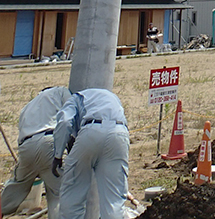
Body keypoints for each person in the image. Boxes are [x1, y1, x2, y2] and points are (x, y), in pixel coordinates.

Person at [52, 88, 129, 219]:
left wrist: (58, 155)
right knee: (114, 200)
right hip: (120, 133)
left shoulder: (74, 98)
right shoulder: (112, 97)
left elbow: (64, 122)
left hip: (90, 132)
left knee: (73, 193)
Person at [1, 86, 72, 219]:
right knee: (58, 193)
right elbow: (70, 117)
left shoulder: (28, 107)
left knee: (17, 185)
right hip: (49, 142)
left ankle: (2, 208)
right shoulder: (60, 92)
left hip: (26, 147)